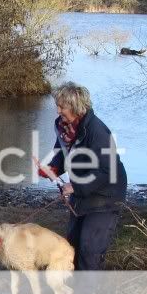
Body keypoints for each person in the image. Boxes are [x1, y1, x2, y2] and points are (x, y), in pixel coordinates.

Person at [39, 82, 127, 271]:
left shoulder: (97, 131)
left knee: (90, 248)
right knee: (73, 244)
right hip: (83, 192)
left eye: (62, 106)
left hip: (106, 195)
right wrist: (53, 169)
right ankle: (73, 290)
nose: (58, 110)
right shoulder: (64, 127)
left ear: (75, 106)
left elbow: (107, 170)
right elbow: (64, 153)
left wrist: (75, 187)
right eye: (57, 105)